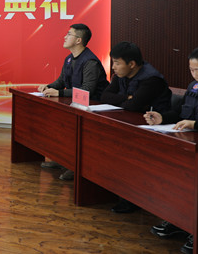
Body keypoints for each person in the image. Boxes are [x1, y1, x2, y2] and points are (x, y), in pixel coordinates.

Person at [143, 44, 198, 254]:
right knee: (173, 177)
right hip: (190, 147)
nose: (195, 76)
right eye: (192, 70)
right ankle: (179, 222)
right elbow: (182, 114)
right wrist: (163, 118)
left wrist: (197, 124)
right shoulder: (195, 86)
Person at [101, 41, 172, 213]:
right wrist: (127, 98)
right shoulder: (121, 74)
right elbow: (105, 95)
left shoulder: (151, 79)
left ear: (132, 64)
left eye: (117, 63)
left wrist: (128, 101)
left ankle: (133, 198)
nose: (113, 67)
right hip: (132, 123)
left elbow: (134, 106)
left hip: (157, 129)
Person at [37, 23, 109, 180]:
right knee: (58, 124)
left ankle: (75, 166)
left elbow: (87, 90)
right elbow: (61, 81)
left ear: (78, 40)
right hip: (76, 104)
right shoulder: (69, 59)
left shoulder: (90, 62)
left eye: (69, 34)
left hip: (93, 107)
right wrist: (48, 87)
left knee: (76, 131)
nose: (65, 37)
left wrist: (60, 93)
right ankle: (61, 159)